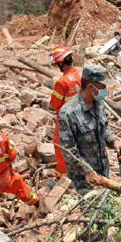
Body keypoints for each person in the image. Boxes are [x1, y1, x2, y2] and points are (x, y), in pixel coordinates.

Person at [57, 65, 121, 194]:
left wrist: (114, 141)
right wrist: (88, 171)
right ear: (90, 86)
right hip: (84, 180)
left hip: (103, 172)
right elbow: (69, 152)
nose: (105, 89)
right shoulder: (68, 113)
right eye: (102, 86)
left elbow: (104, 129)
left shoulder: (98, 103)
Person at [49, 45, 82, 175]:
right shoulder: (81, 75)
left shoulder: (61, 82)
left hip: (65, 121)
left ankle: (63, 176)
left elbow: (54, 104)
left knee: (61, 147)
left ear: (61, 63)